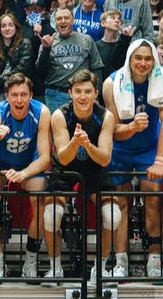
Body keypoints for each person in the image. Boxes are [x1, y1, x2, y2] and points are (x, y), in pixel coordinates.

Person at [101, 39, 163, 278]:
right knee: (121, 203)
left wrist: (160, 161)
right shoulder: (111, 83)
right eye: (138, 58)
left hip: (149, 147)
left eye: (148, 58)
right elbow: (113, 130)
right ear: (129, 59)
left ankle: (155, 260)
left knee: (153, 199)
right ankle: (121, 261)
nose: (143, 63)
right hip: (121, 148)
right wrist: (132, 127)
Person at [0, 74, 51, 278]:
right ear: (7, 97)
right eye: (15, 95)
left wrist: (23, 174)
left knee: (40, 202)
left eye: (24, 95)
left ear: (31, 96)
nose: (19, 100)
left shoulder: (42, 112)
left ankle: (30, 261)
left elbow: (45, 158)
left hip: (28, 164)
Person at [44, 70, 115, 278]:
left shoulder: (105, 116)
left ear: (96, 93)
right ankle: (55, 268)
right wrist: (76, 142)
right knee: (51, 216)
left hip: (95, 168)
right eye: (78, 91)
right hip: (65, 169)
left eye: (87, 91)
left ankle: (100, 269)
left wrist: (88, 145)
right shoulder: (60, 115)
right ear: (70, 93)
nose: (83, 96)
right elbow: (64, 158)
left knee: (113, 215)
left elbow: (105, 159)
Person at [36, 7, 104, 111]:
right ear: (55, 22)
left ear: (73, 20)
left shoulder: (87, 39)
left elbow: (97, 69)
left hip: (82, 93)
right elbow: (40, 72)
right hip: (55, 95)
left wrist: (95, 96)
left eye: (66, 18)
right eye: (59, 19)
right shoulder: (48, 41)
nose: (63, 21)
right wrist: (46, 49)